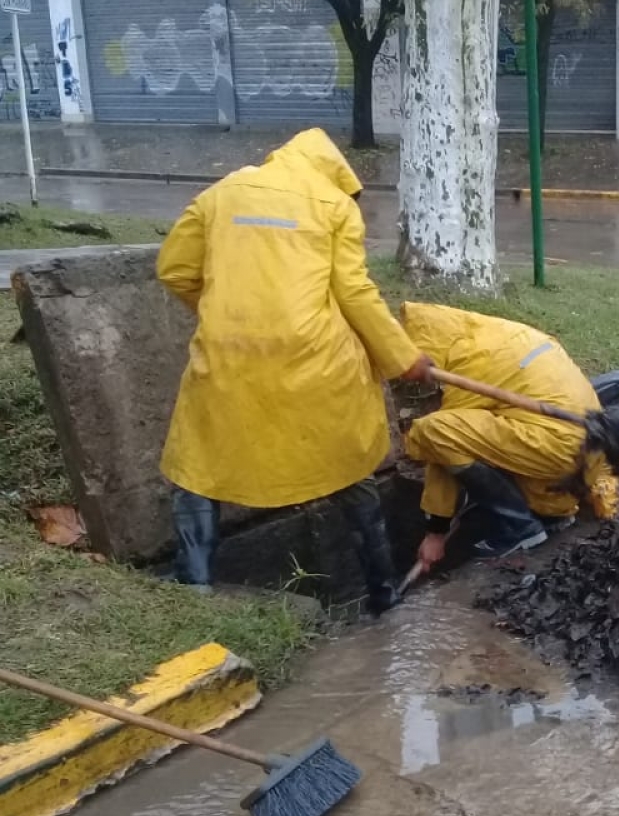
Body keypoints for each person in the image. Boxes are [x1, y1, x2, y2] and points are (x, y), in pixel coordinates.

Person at [157, 128, 432, 613]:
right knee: (349, 466)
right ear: (334, 172)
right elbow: (354, 292)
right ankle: (384, 594)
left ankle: (193, 593)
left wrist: (229, 317)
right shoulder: (334, 205)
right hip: (318, 363)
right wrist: (404, 358)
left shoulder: (221, 194)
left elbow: (175, 270)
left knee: (199, 469)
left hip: (227, 355)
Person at [400, 303, 606, 568]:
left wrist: (435, 532)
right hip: (585, 451)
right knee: (483, 430)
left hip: (558, 445)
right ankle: (550, 516)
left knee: (432, 431)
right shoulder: (495, 335)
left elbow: (441, 444)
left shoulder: (468, 363)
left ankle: (519, 527)